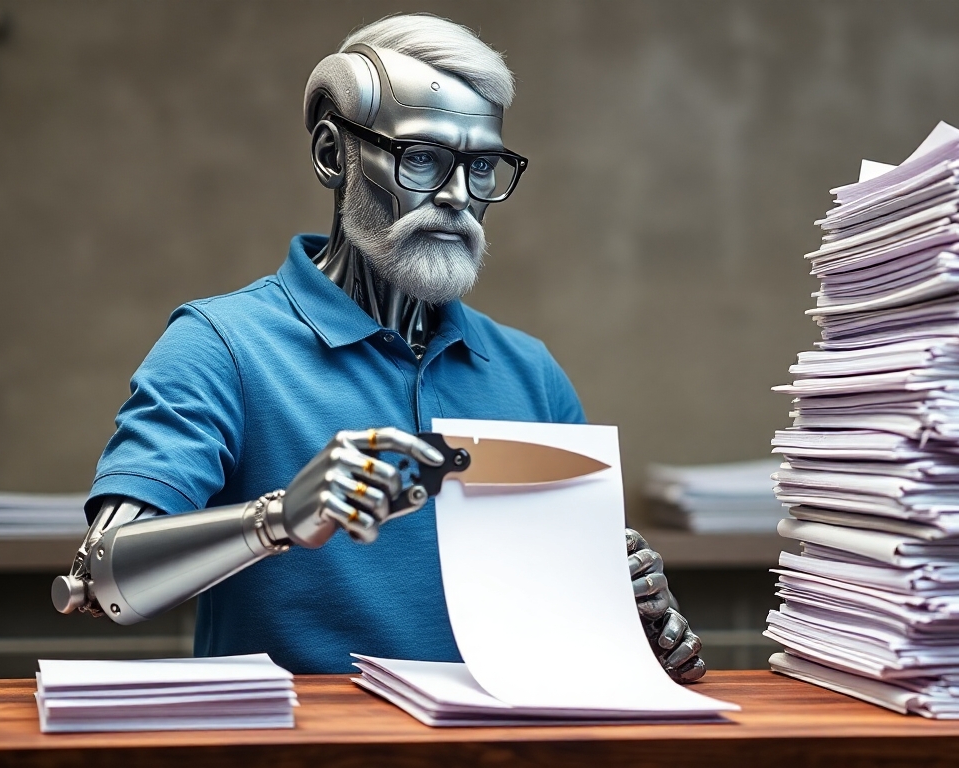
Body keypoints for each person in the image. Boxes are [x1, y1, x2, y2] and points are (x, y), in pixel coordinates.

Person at [52, 13, 705, 683]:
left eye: (481, 166)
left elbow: (568, 622)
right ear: (334, 155)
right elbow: (102, 577)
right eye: (422, 157)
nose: (457, 196)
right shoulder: (220, 346)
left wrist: (635, 619)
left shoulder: (530, 372)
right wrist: (277, 519)